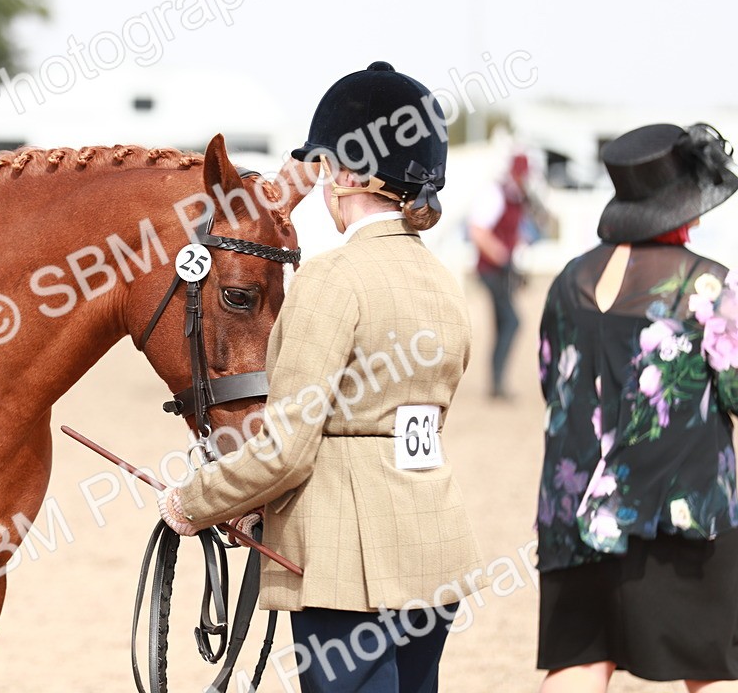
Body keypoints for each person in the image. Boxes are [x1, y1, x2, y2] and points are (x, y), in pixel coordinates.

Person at [159, 62, 484, 693]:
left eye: (328, 167)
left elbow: (287, 448)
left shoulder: (333, 279)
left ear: (351, 174)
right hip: (432, 541)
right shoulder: (445, 284)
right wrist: (263, 512)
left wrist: (193, 502)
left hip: (347, 562)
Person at [535, 123, 738, 693]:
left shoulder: (568, 280)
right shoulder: (709, 286)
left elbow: (553, 383)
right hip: (681, 513)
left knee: (578, 663)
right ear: (681, 212)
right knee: (710, 667)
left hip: (575, 508)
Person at [469, 152, 533, 399]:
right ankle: (497, 382)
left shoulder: (515, 198)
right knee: (512, 322)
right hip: (492, 271)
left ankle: (496, 382)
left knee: (503, 323)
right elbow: (478, 231)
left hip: (501, 271)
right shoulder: (495, 194)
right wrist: (503, 259)